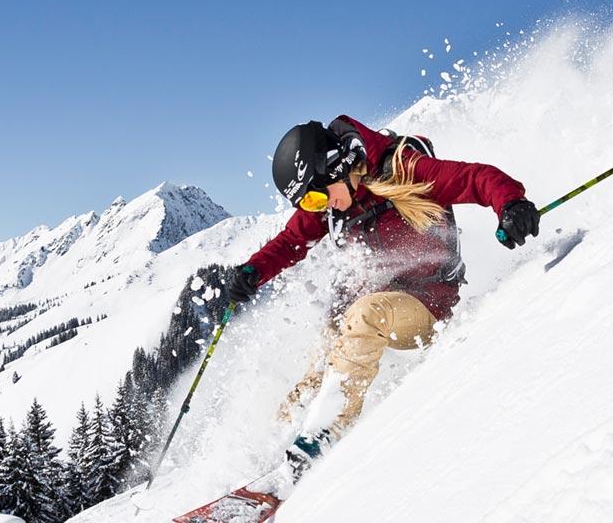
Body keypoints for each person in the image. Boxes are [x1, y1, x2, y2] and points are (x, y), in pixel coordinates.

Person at [221, 114, 541, 472]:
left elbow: (474, 178)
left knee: (365, 313)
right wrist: (254, 271)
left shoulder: (403, 170)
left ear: (337, 167)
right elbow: (291, 242)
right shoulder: (334, 200)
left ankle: (324, 434)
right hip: (370, 309)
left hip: (425, 307)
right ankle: (271, 455)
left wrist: (511, 203)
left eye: (314, 198)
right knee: (317, 366)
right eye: (308, 205)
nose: (318, 208)